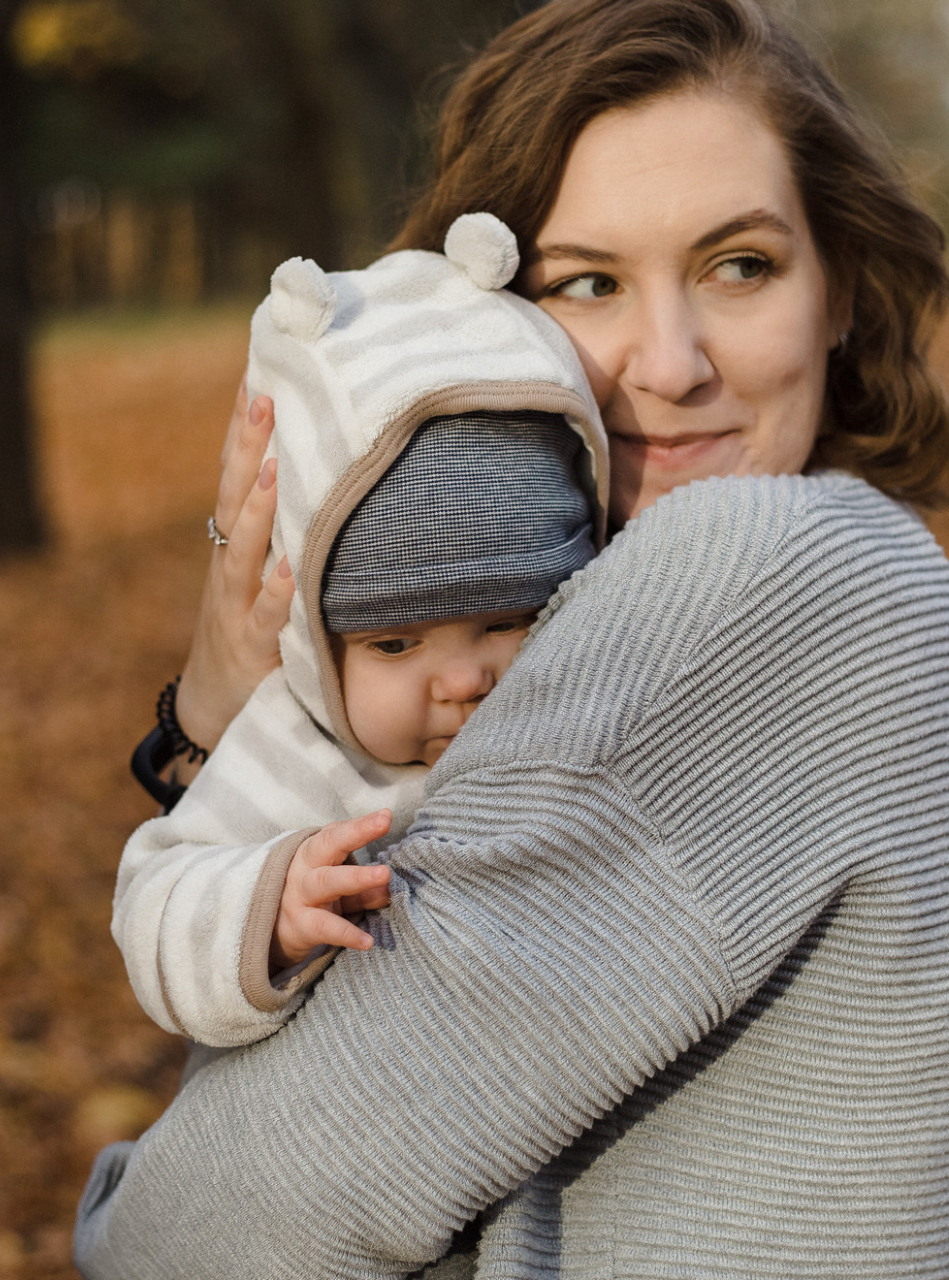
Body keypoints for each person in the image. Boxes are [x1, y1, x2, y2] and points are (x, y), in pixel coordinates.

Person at [77, 0, 949, 1276]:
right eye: (588, 284)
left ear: (840, 287)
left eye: (740, 265)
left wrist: (116, 1219)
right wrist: (234, 716)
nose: (671, 364)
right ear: (487, 319)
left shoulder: (762, 579)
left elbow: (216, 1230)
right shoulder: (733, 595)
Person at [111, 215, 606, 1047]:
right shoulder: (309, 758)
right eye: (394, 643)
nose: (461, 683)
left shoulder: (598, 704)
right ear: (317, 641)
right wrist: (270, 904)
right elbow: (154, 901)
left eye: (507, 621)